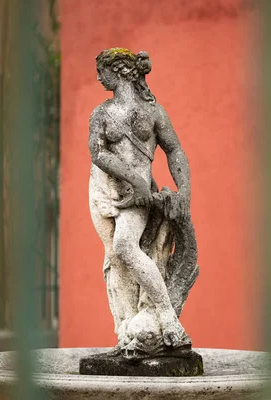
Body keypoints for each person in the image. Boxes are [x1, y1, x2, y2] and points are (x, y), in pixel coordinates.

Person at [88, 48, 192, 350]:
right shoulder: (101, 113)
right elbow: (98, 153)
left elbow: (174, 150)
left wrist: (183, 189)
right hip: (106, 191)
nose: (98, 77)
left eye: (102, 70)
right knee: (115, 256)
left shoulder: (153, 112)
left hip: (138, 198)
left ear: (119, 71)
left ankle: (167, 318)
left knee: (124, 245)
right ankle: (128, 331)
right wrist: (134, 178)